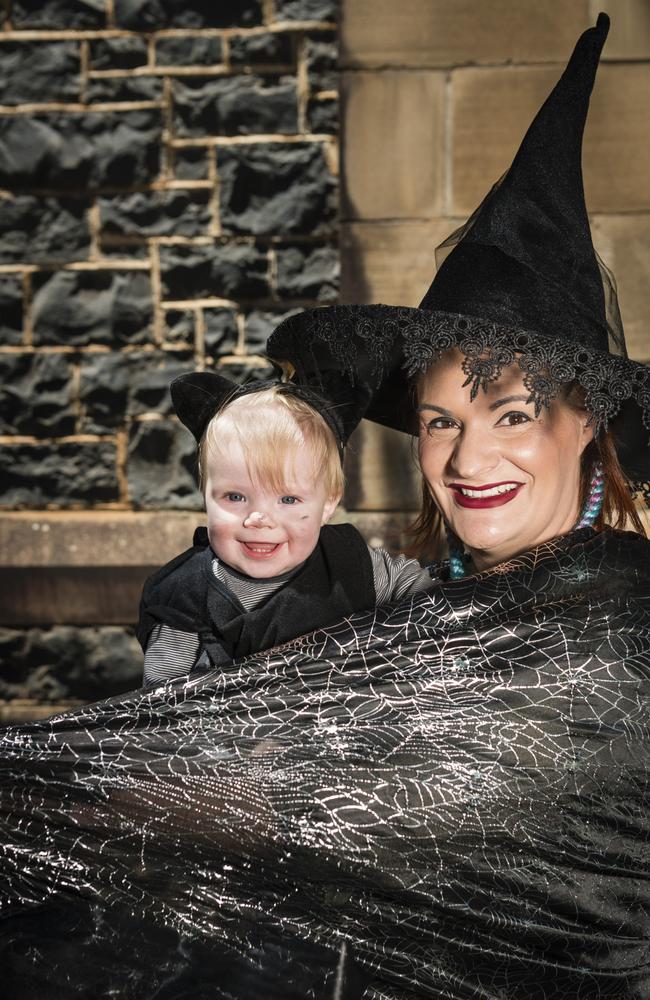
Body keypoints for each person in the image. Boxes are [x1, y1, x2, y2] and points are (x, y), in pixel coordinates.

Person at [1, 14, 649, 1000]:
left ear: (583, 421)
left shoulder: (612, 627)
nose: (464, 459)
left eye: (509, 413)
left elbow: (336, 788)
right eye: (436, 422)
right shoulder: (438, 606)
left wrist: (58, 781)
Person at [139, 369, 433, 687]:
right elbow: (161, 706)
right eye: (235, 496)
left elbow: (428, 596)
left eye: (288, 499)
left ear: (328, 502)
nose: (259, 518)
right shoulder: (188, 598)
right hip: (238, 731)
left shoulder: (349, 564)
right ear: (206, 493)